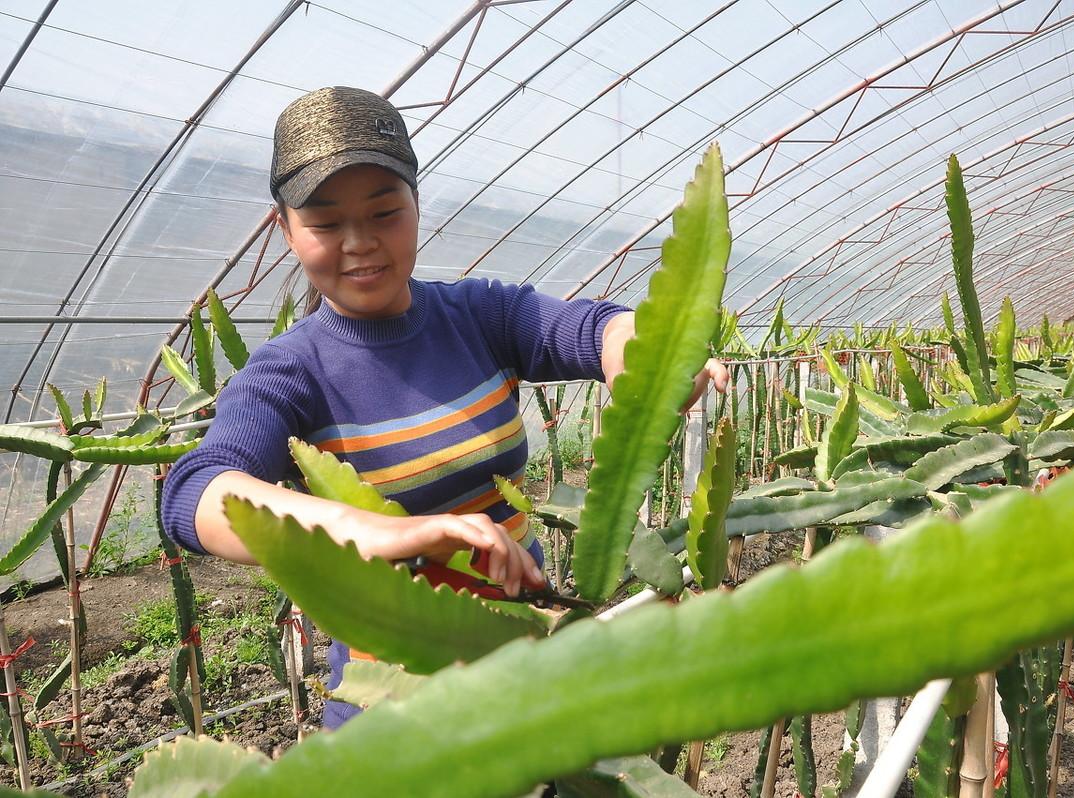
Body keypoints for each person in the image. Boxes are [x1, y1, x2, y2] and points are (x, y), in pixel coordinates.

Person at [161, 86, 728, 729]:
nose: (360, 243)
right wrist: (392, 534)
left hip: (530, 668)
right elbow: (196, 494)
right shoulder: (290, 373)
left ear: (416, 204)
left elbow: (592, 329)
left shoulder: (479, 316)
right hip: (397, 702)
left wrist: (647, 359)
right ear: (285, 229)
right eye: (325, 223)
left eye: (384, 213)